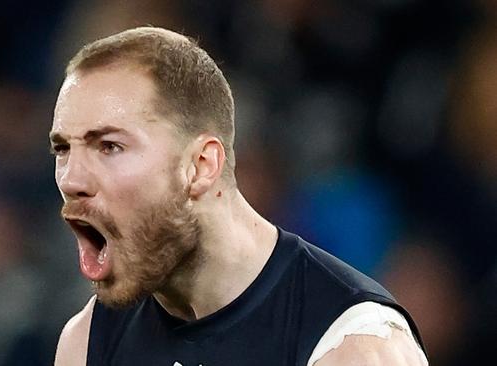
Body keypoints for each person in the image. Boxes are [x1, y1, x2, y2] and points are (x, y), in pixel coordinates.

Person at [49, 27, 428, 366]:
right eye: (63, 149)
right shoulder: (87, 343)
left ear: (200, 165)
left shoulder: (351, 345)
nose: (70, 179)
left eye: (110, 146)